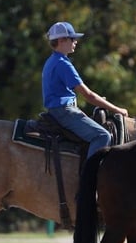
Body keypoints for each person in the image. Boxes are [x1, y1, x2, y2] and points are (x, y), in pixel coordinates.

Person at [42, 21, 128, 158]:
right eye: (72, 38)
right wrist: (118, 110)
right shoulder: (63, 64)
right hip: (65, 112)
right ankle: (89, 177)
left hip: (57, 111)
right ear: (61, 40)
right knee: (102, 136)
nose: (75, 41)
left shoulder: (51, 61)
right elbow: (89, 95)